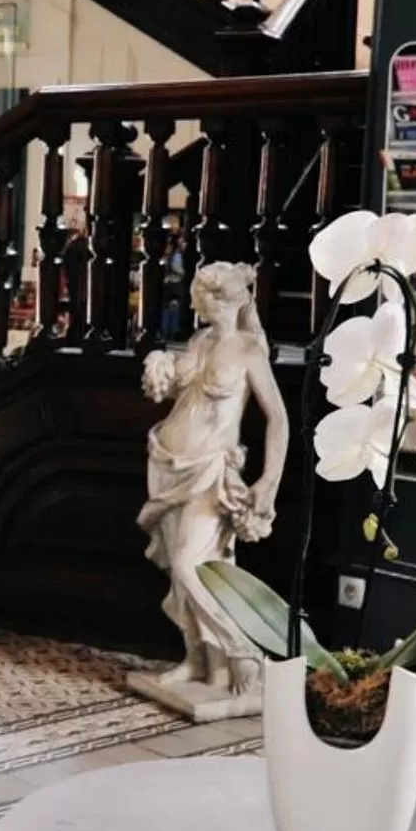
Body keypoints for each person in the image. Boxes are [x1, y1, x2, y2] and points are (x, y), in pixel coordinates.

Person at [133, 260, 288, 711]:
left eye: (205, 293)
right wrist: (160, 368)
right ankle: (201, 661)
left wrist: (269, 483)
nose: (198, 301)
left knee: (191, 565)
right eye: (199, 293)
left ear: (228, 298)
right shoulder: (200, 341)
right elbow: (176, 390)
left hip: (211, 472)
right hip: (168, 462)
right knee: (179, 569)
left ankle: (243, 652)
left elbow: (277, 419)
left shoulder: (248, 349)